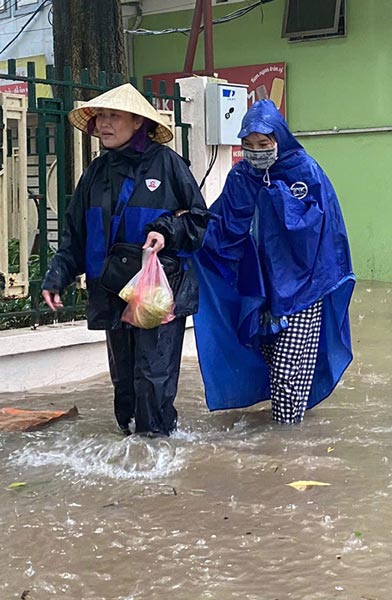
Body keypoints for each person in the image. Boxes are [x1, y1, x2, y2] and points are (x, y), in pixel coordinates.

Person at [41, 83, 209, 437]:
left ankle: (157, 455)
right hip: (112, 292)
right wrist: (57, 275)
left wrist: (166, 230)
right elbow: (75, 235)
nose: (103, 123)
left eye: (113, 115)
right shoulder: (95, 173)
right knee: (125, 386)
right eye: (100, 115)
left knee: (154, 378)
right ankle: (131, 449)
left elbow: (198, 221)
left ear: (137, 123)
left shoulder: (168, 165)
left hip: (157, 294)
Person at [193, 99, 355, 424]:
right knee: (269, 359)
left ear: (278, 139)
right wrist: (183, 234)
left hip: (304, 288)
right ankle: (283, 434)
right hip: (260, 288)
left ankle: (286, 441)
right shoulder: (241, 176)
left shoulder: (305, 171)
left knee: (288, 369)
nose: (256, 151)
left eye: (263, 144)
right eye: (248, 145)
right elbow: (222, 225)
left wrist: (277, 196)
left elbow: (321, 229)